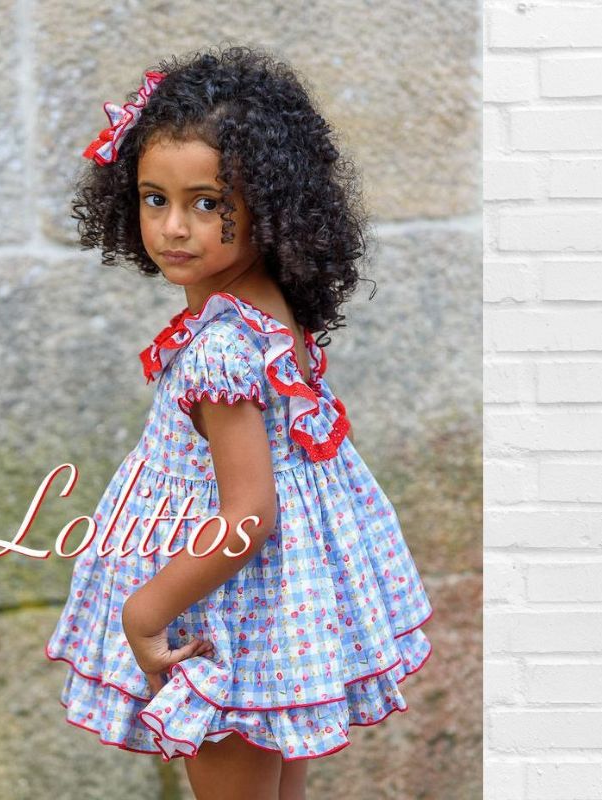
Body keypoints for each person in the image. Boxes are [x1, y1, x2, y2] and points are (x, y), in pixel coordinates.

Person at [45, 44, 434, 800]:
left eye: (207, 203)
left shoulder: (221, 349)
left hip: (223, 623)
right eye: (154, 198)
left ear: (271, 205)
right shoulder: (266, 308)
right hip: (283, 608)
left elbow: (248, 515)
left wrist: (146, 611)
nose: (173, 228)